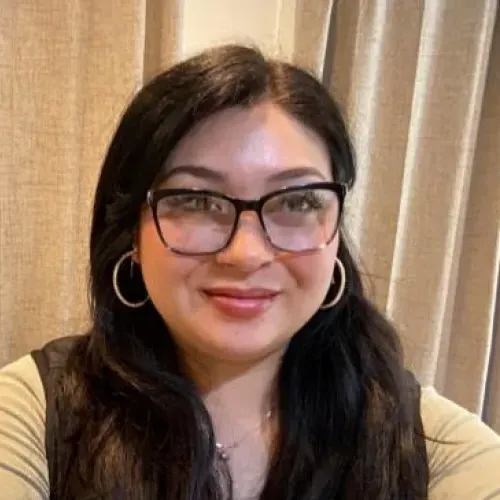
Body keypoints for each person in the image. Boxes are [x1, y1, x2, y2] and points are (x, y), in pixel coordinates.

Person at [0, 44, 499, 500]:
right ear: (132, 230)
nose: (245, 253)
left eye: (298, 200)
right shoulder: (34, 412)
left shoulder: (422, 442)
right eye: (194, 200)